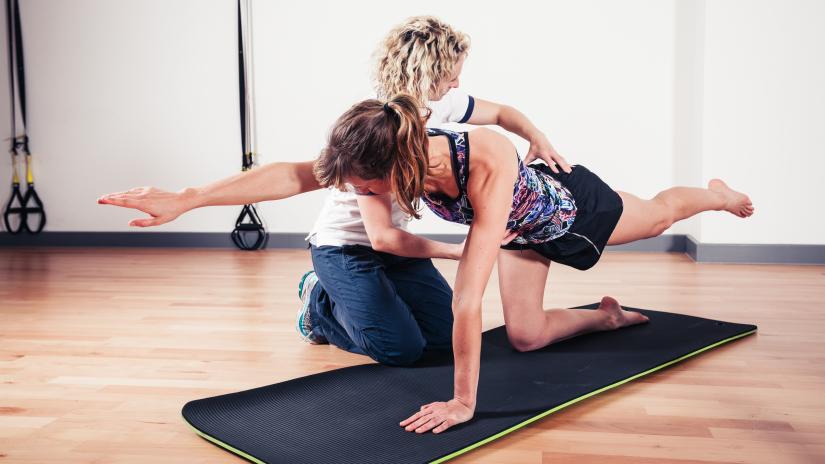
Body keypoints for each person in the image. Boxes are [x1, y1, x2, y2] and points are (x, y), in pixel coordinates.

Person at [98, 16, 570, 367]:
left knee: (440, 342)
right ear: (428, 75)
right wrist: (189, 197)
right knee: (399, 348)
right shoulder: (373, 126)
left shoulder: (442, 105)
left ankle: (362, 303)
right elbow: (300, 178)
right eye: (452, 73)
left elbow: (504, 112)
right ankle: (318, 303)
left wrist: (537, 137)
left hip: (398, 250)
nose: (459, 82)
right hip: (347, 250)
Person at [313, 93, 755, 434]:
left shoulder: (483, 160)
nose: (360, 192)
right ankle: (606, 317)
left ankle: (718, 195)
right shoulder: (396, 152)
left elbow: (467, 300)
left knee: (659, 216)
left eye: (364, 186)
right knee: (526, 336)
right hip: (518, 235)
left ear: (396, 167)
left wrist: (463, 403)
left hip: (572, 215)